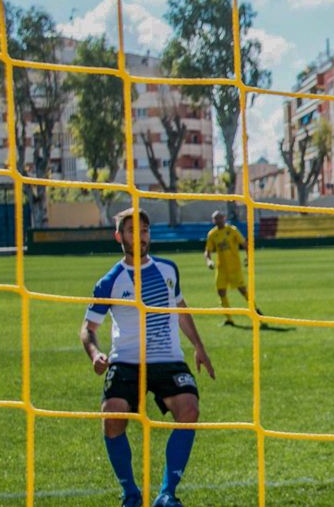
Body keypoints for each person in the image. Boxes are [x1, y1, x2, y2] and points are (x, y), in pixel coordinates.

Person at [80, 208, 215, 507]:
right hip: (126, 360)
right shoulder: (110, 281)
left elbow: (179, 308)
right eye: (132, 231)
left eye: (144, 230)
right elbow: (87, 329)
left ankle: (167, 494)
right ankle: (130, 493)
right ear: (119, 237)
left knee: (189, 409)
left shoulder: (168, 269)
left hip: (166, 358)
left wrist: (199, 346)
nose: (140, 237)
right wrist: (95, 353)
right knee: (112, 414)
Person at [204, 210, 264, 327]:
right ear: (213, 220)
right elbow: (207, 251)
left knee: (243, 291)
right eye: (216, 218)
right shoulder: (212, 234)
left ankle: (256, 310)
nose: (218, 220)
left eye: (220, 217)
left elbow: (245, 244)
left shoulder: (232, 231)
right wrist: (209, 261)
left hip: (234, 268)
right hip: (221, 269)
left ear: (224, 218)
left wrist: (248, 257)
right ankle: (229, 319)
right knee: (221, 292)